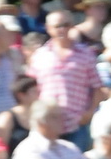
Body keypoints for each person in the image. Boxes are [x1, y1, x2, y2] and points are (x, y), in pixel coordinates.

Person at [29, 10, 102, 141]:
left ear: (72, 26)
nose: (62, 29)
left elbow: (97, 87)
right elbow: (31, 87)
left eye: (66, 24)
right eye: (58, 26)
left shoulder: (86, 54)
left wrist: (90, 112)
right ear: (48, 28)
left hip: (76, 124)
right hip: (47, 123)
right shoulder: (39, 56)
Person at [10, 101, 93, 159]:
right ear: (40, 121)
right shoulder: (27, 149)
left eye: (61, 116)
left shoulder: (69, 147)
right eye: (55, 117)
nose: (62, 120)